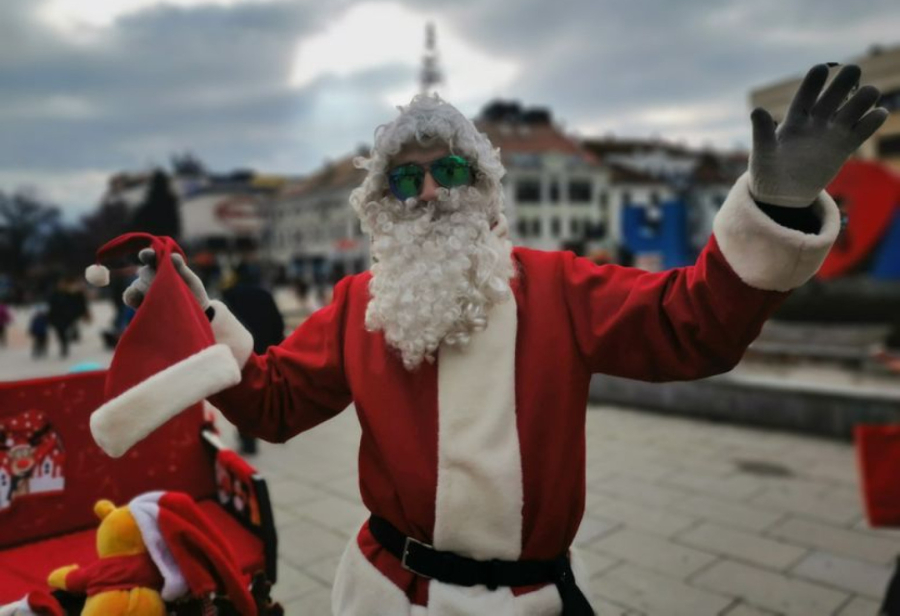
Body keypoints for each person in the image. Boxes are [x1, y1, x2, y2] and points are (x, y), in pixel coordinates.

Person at [124, 64, 887, 615]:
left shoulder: (556, 287)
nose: (427, 191)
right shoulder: (360, 301)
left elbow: (690, 327)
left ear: (482, 188)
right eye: (405, 178)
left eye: (449, 169)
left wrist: (775, 209)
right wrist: (196, 319)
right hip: (383, 593)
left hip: (523, 601)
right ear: (382, 202)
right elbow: (277, 402)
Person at [220, 261, 285, 455]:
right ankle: (262, 428)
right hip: (263, 353)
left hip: (239, 353)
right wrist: (276, 345)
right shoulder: (264, 295)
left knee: (241, 397)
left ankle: (246, 435)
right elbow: (277, 323)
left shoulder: (230, 296)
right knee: (262, 393)